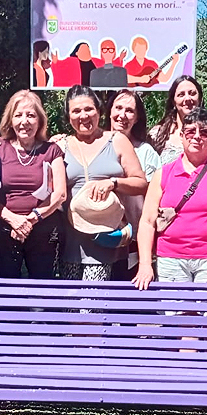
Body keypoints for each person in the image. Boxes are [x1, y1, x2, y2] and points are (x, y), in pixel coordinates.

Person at [134, 107, 207, 299]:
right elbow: (147, 222)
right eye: (191, 131)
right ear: (182, 136)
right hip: (171, 258)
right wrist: (144, 264)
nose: (197, 137)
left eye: (205, 132)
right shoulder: (163, 174)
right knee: (175, 322)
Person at [59, 85, 148, 281]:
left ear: (99, 111)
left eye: (89, 109)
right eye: (76, 111)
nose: (83, 116)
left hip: (108, 243)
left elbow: (141, 183)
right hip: (70, 244)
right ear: (68, 116)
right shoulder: (60, 146)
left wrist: (113, 183)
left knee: (92, 307)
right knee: (68, 309)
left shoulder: (117, 141)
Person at [0, 90, 67, 279]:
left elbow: (60, 194)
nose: (25, 121)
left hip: (43, 232)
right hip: (3, 231)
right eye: (18, 115)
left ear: (39, 120)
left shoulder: (52, 150)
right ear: (10, 120)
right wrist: (12, 220)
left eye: (31, 115)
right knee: (3, 294)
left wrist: (29, 220)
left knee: (42, 294)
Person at [106, 89, 161, 279]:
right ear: (109, 111)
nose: (122, 115)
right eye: (118, 108)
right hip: (96, 237)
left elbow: (154, 200)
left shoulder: (146, 153)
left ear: (137, 118)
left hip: (133, 240)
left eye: (129, 110)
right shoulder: (93, 145)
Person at [150, 76, 203, 165]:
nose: (187, 98)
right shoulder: (156, 135)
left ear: (200, 98)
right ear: (173, 101)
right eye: (181, 95)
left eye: (192, 93)